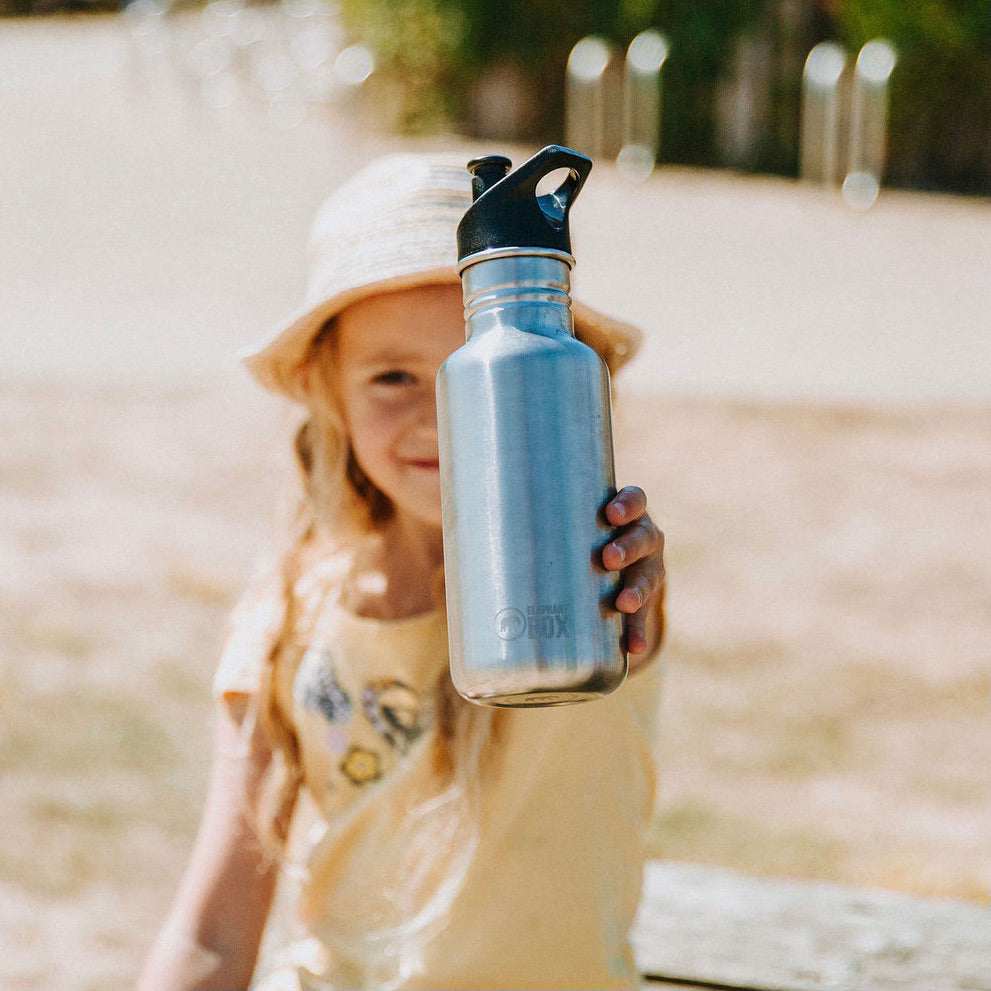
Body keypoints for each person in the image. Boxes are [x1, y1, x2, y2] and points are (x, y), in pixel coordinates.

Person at [137, 152, 666, 991]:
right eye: (392, 376)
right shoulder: (284, 619)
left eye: (472, 368)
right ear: (324, 386)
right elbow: (212, 930)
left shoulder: (589, 586)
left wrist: (627, 580)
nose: (439, 416)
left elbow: (642, 615)